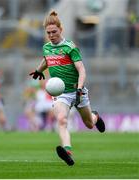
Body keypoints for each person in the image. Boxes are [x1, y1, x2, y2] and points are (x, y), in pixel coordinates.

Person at [29, 10, 105, 166]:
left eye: (54, 32)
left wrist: (80, 88)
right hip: (61, 94)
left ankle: (95, 116)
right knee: (62, 119)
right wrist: (38, 70)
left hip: (77, 90)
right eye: (48, 32)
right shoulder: (46, 48)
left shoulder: (70, 47)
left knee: (89, 124)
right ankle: (68, 151)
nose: (51, 35)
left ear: (61, 29)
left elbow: (81, 70)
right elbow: (47, 60)